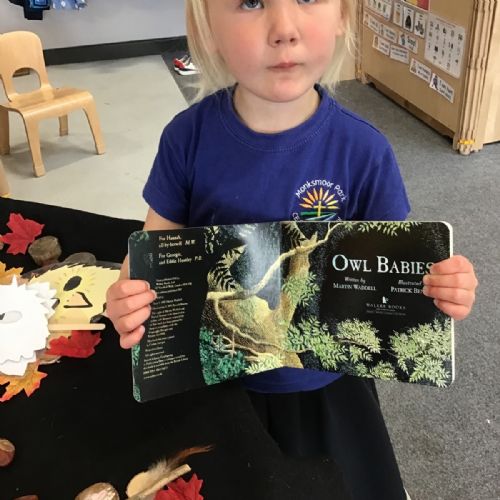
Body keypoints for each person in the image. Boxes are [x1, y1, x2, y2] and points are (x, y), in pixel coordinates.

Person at [106, 1, 478, 498]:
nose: (283, 29)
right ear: (208, 26)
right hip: (217, 389)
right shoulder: (186, 139)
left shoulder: (365, 151)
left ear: (343, 15)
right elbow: (151, 254)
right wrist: (128, 295)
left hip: (327, 393)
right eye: (250, 2)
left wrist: (441, 288)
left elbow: (398, 276)